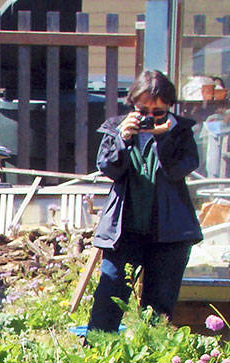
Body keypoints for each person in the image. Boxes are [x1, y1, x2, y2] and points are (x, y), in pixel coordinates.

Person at [86, 69, 202, 333]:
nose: (149, 118)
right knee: (109, 297)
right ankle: (95, 360)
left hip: (170, 234)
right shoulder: (117, 128)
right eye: (143, 111)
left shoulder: (181, 132)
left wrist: (165, 137)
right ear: (132, 106)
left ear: (170, 107)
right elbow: (108, 168)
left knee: (159, 308)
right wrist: (122, 139)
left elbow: (178, 170)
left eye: (158, 112)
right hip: (125, 231)